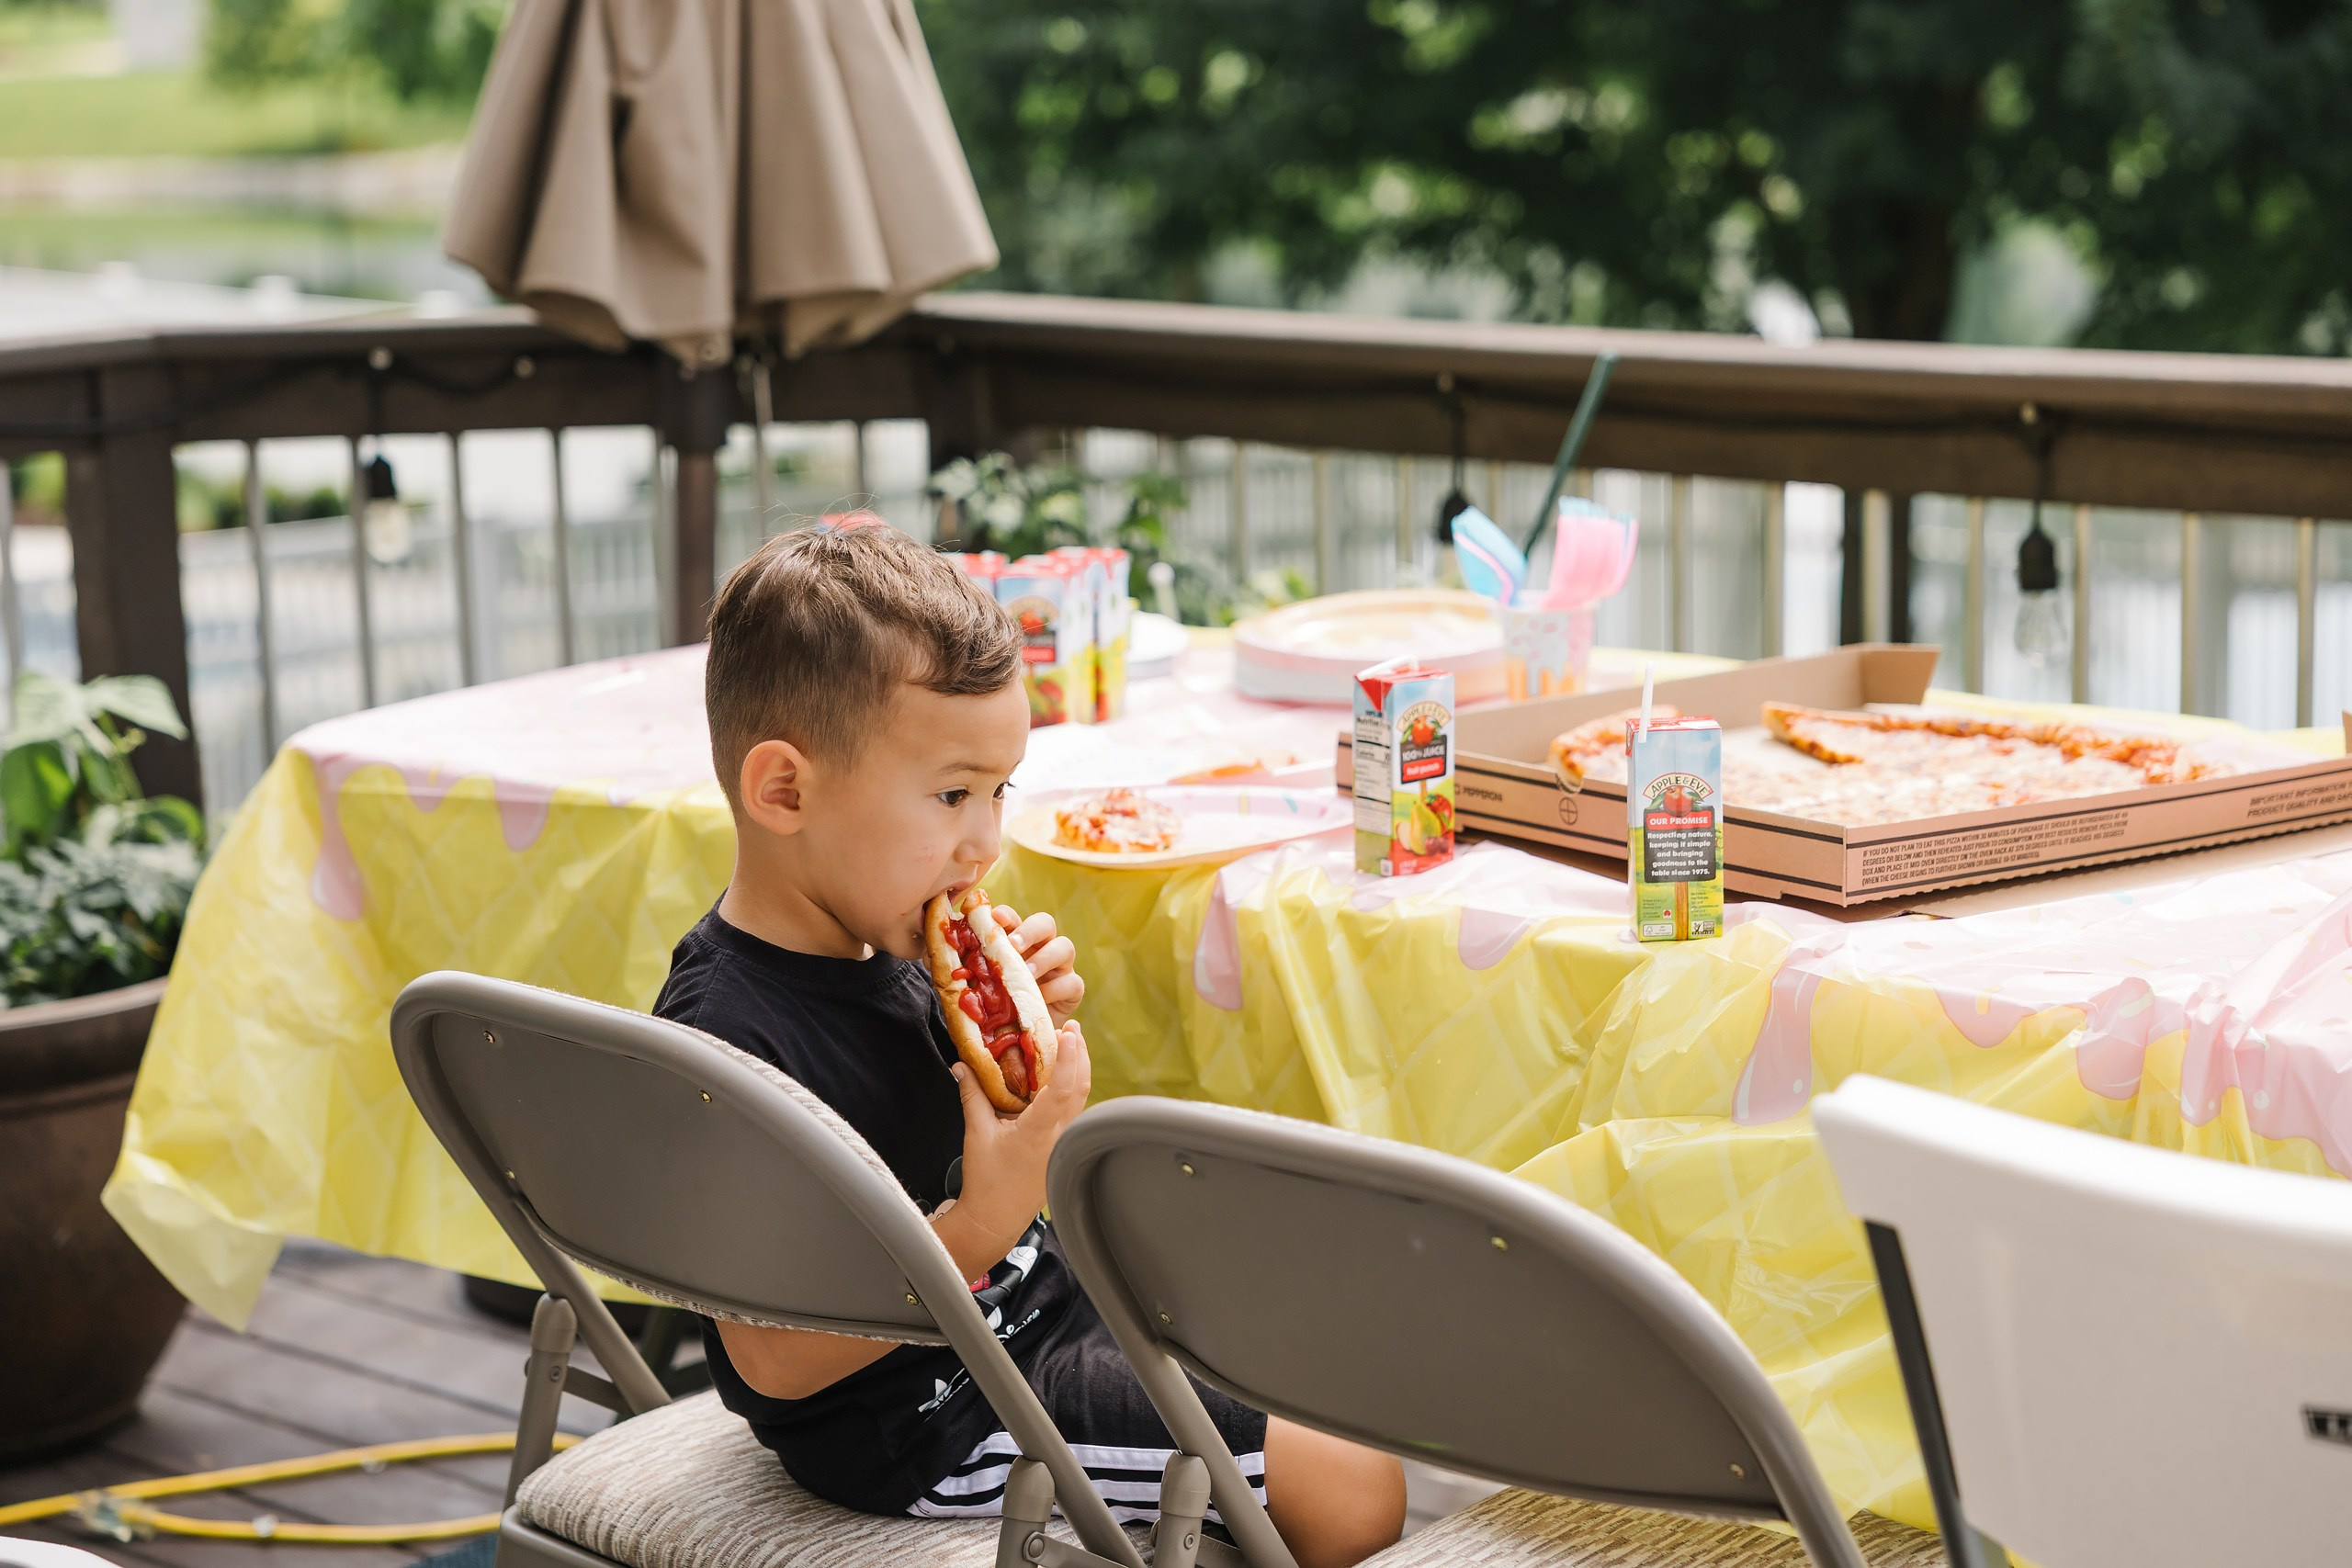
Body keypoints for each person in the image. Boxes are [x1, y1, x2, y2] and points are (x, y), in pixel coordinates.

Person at [653, 521, 1405, 1568]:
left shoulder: (881, 938)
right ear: (784, 791)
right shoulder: (726, 1042)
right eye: (952, 794)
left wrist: (1017, 1070)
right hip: (921, 1419)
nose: (985, 841)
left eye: (999, 791)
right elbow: (776, 1361)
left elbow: (936, 1150)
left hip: (1029, 1304)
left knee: (1340, 1343)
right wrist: (987, 1215)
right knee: (1349, 1487)